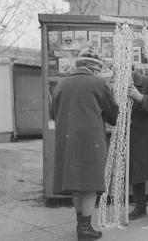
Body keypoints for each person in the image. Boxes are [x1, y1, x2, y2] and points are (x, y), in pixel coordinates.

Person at [51, 48, 119, 241]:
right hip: (91, 141)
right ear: (94, 67)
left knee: (75, 183)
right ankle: (86, 228)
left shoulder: (60, 84)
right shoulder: (99, 84)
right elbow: (113, 116)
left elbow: (53, 113)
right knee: (90, 184)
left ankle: (81, 225)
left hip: (67, 139)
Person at [127, 67, 148, 220]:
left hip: (147, 134)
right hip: (130, 135)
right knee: (136, 173)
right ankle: (140, 206)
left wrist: (141, 98)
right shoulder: (117, 84)